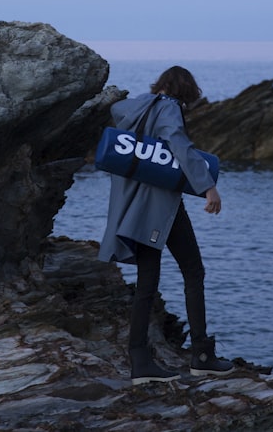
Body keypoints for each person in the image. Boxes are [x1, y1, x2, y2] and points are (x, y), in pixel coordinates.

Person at [98, 65, 234, 384]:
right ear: (186, 91)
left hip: (136, 207)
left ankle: (140, 361)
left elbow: (116, 108)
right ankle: (201, 355)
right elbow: (177, 142)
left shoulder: (136, 106)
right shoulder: (170, 108)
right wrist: (207, 186)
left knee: (147, 283)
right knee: (193, 271)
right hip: (160, 205)